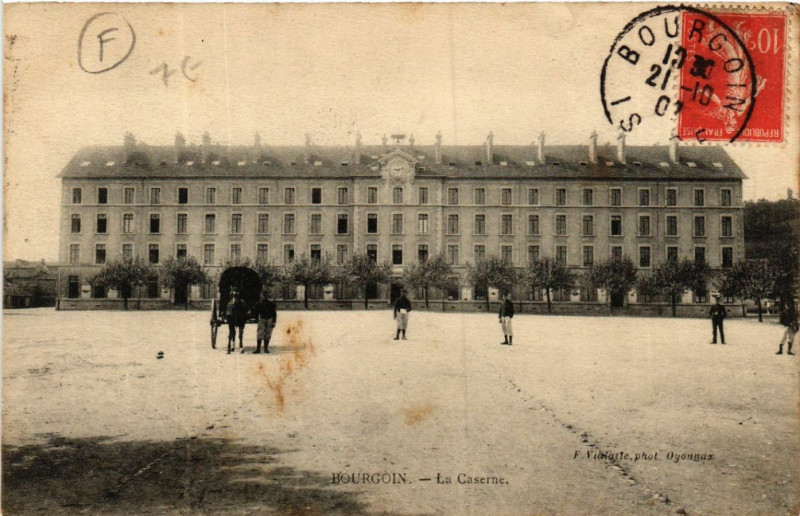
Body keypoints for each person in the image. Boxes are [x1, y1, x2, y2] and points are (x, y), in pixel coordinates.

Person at [251, 289, 277, 354]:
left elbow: (274, 313)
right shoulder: (258, 304)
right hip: (262, 319)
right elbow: (254, 311)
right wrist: (256, 318)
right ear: (261, 295)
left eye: (265, 295)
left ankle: (266, 349)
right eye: (263, 295)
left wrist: (274, 322)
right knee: (260, 334)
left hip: (269, 319)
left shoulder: (271, 304)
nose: (264, 296)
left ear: (267, 296)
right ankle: (258, 349)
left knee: (268, 334)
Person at [225, 289, 248, 354]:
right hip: (232, 317)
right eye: (233, 295)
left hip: (240, 317)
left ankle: (241, 346)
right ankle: (230, 345)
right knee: (231, 331)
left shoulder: (242, 302)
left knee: (240, 332)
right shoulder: (230, 303)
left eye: (235, 295)